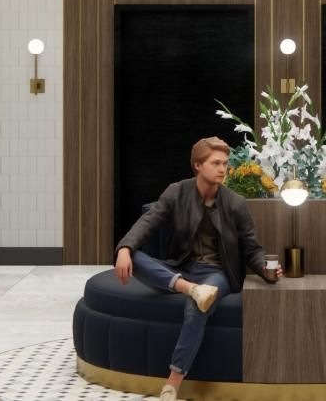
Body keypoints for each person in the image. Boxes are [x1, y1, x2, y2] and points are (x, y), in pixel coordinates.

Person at [114, 136, 278, 401]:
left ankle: (173, 383)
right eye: (216, 163)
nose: (223, 168)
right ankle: (190, 288)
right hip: (182, 268)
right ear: (198, 165)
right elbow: (148, 221)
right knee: (135, 257)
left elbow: (251, 249)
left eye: (225, 163)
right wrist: (124, 249)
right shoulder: (176, 192)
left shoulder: (235, 203)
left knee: (196, 307)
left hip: (218, 273)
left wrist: (266, 270)